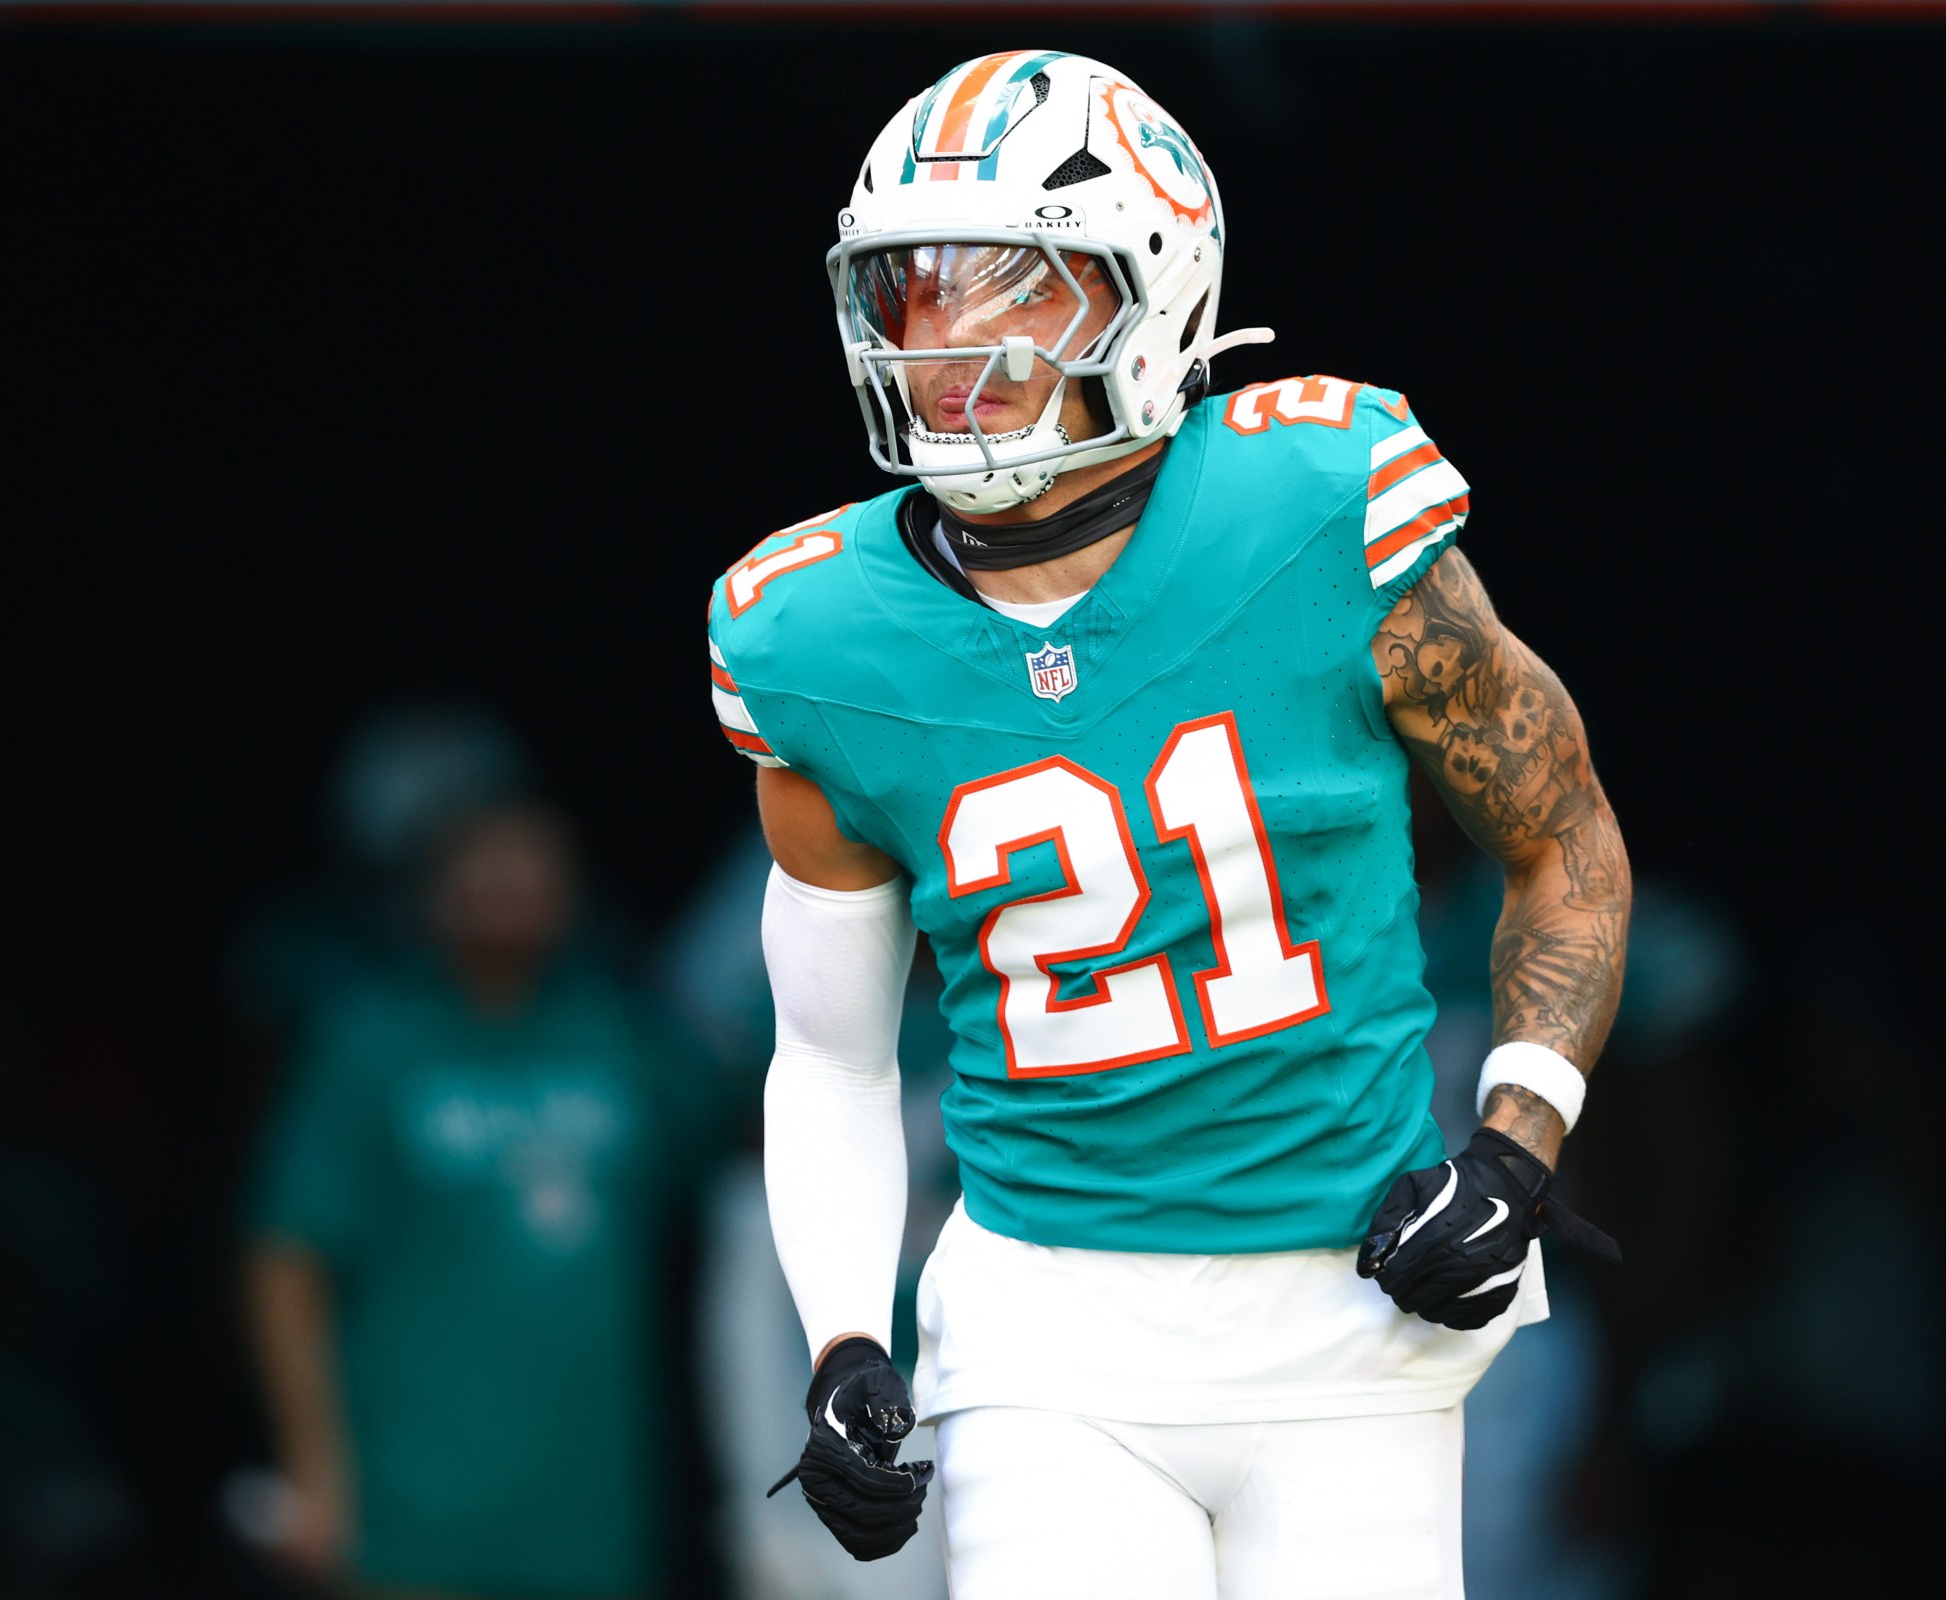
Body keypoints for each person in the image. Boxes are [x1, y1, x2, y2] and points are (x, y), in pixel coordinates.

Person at [706, 51, 1631, 1598]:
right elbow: (833, 1052)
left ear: (1158, 293)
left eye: (1022, 288)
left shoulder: (1321, 500)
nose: (955, 342)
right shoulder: (811, 635)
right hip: (1045, 1320)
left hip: (1357, 1304)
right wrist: (848, 1331)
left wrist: (1517, 1138)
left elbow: (1564, 839)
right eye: (915, 291)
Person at [244, 802, 703, 1600]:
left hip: (593, 1525)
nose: (509, 882)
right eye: (481, 861)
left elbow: (752, 1187)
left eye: (533, 859)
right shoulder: (373, 1044)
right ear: (428, 891)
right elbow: (288, 1259)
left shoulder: (625, 1037)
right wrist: (313, 1470)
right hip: (411, 1520)